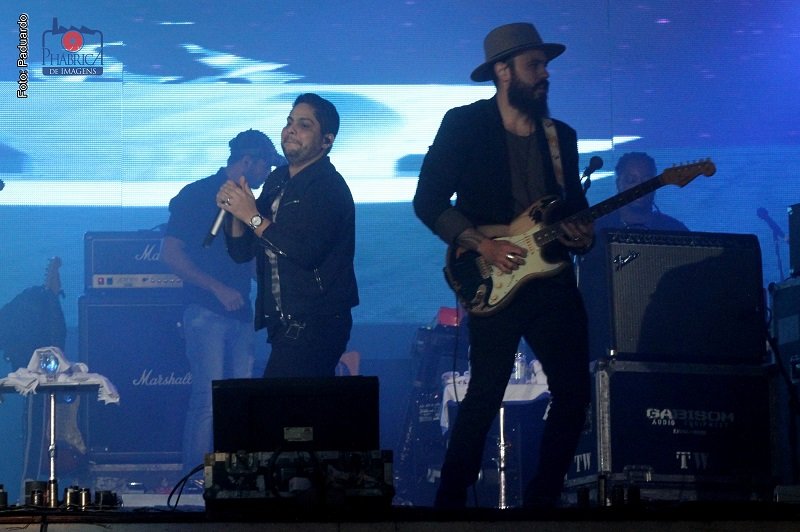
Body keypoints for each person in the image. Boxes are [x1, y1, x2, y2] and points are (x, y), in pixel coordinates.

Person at [413, 22, 594, 508]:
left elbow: (571, 208)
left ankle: (543, 501)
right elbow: (428, 200)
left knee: (575, 394)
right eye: (535, 64)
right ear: (503, 71)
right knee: (485, 392)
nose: (545, 74)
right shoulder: (465, 125)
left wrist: (581, 234)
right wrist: (481, 245)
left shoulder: (561, 138)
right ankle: (450, 500)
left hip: (552, 280)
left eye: (546, 64)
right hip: (493, 273)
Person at [162, 129, 285, 472]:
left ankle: (239, 475)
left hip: (241, 313)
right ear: (248, 161)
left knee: (241, 398)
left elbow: (245, 259)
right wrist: (218, 288)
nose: (267, 175)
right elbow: (171, 255)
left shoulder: (251, 204)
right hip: (205, 312)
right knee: (208, 401)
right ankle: (197, 481)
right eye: (264, 167)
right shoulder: (197, 195)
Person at [217, 93, 358, 378]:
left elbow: (306, 252)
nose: (291, 129)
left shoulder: (328, 186)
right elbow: (241, 252)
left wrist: (252, 216)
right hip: (283, 323)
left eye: (304, 125)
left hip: (316, 322)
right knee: (295, 415)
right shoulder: (277, 179)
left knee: (283, 412)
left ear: (326, 141)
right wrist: (235, 210)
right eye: (289, 121)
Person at [595, 151, 689, 232]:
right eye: (631, 180)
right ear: (619, 184)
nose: (640, 187)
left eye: (647, 180)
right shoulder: (597, 229)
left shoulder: (673, 229)